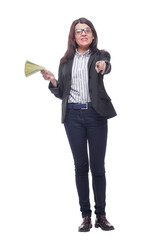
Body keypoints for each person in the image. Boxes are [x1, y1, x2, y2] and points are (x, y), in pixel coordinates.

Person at [41, 17, 117, 232]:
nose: (83, 33)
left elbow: (107, 65)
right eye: (78, 31)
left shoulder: (100, 56)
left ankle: (101, 215)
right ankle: (85, 216)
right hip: (72, 116)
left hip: (96, 115)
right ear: (73, 37)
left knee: (98, 167)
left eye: (87, 30)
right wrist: (54, 81)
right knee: (80, 167)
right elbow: (61, 93)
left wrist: (103, 65)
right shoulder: (65, 61)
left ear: (92, 35)